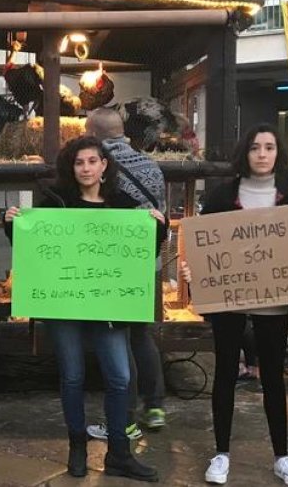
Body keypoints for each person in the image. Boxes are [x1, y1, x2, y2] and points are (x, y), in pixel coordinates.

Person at [4, 136, 164, 482]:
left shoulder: (124, 205)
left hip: (109, 306)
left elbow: (140, 256)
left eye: (92, 161)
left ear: (104, 165)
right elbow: (32, 246)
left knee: (120, 377)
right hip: (65, 306)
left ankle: (119, 453)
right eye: (79, 162)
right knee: (73, 377)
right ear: (71, 167)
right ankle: (76, 446)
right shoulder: (55, 202)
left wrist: (157, 228)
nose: (86, 168)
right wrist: (12, 223)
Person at [193, 123, 288, 487]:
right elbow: (204, 244)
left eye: (269, 147)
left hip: (275, 302)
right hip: (228, 300)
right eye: (255, 147)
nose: (262, 154)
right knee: (225, 372)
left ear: (279, 153)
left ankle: (282, 455)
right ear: (245, 153)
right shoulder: (222, 196)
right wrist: (196, 271)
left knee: (272, 376)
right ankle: (221, 452)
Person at [84, 108, 168, 436]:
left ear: (93, 133)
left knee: (120, 340)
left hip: (115, 266)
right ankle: (155, 406)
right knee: (141, 335)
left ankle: (126, 416)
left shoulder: (101, 168)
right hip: (148, 263)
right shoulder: (151, 165)